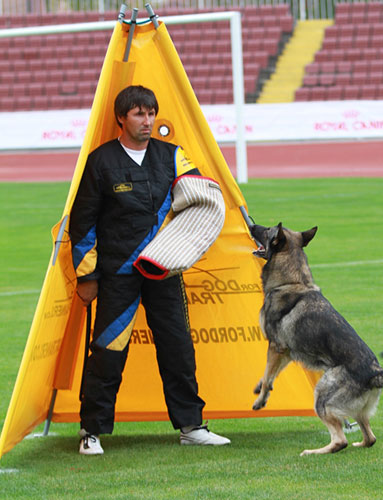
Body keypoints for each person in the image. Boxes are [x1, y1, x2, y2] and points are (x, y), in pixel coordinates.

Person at [69, 85, 230, 455]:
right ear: (121, 119)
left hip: (164, 273)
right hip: (117, 276)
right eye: (139, 114)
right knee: (107, 352)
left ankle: (191, 426)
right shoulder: (101, 161)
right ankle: (90, 430)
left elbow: (204, 195)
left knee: (178, 349)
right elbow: (83, 225)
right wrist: (87, 277)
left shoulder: (173, 156)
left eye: (151, 113)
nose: (148, 121)